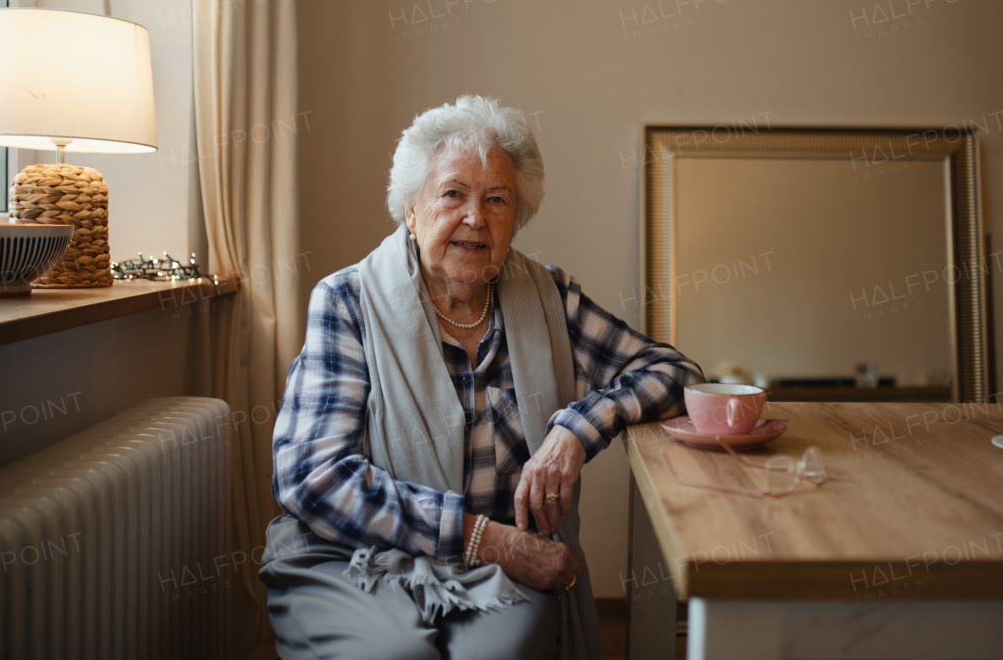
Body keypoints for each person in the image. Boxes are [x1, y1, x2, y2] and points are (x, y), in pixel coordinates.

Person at [260, 95, 703, 659]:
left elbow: (675, 373)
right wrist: (477, 537)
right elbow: (311, 475)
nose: (476, 217)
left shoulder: (549, 299)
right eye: (453, 194)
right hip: (353, 555)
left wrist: (575, 429)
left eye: (497, 200)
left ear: (516, 220)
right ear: (411, 209)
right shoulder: (348, 301)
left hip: (507, 562)